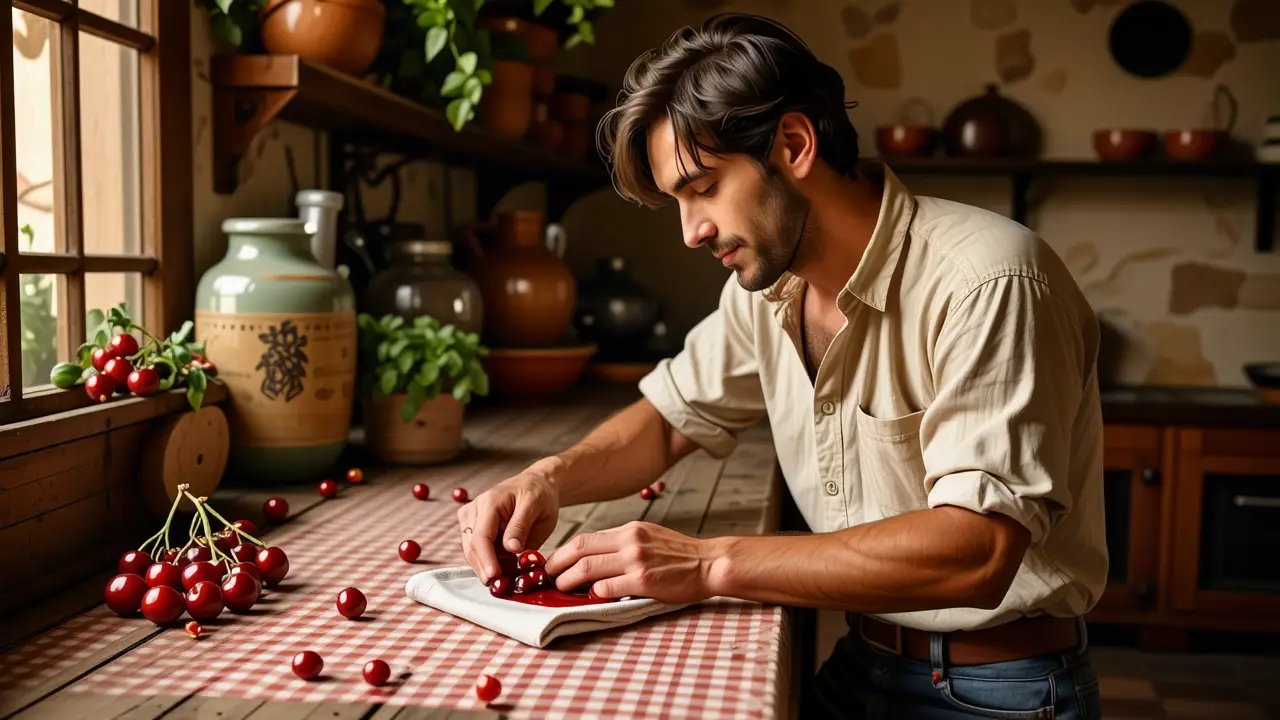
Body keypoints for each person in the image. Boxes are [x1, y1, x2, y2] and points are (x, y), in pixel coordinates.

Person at [456, 12, 1105, 719]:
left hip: (1000, 690)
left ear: (794, 144)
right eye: (678, 201)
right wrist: (545, 479)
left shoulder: (991, 280)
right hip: (861, 659)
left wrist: (708, 565)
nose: (690, 231)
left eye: (702, 188)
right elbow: (670, 421)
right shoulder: (767, 290)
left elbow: (978, 552)